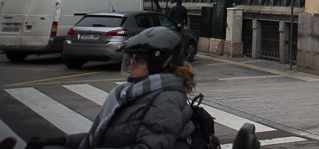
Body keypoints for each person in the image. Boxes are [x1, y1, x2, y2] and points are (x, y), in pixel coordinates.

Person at [24, 28, 195, 149]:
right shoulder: (136, 93)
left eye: (139, 60)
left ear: (159, 63)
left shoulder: (166, 100)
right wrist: (63, 141)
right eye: (130, 59)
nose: (131, 66)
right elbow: (103, 138)